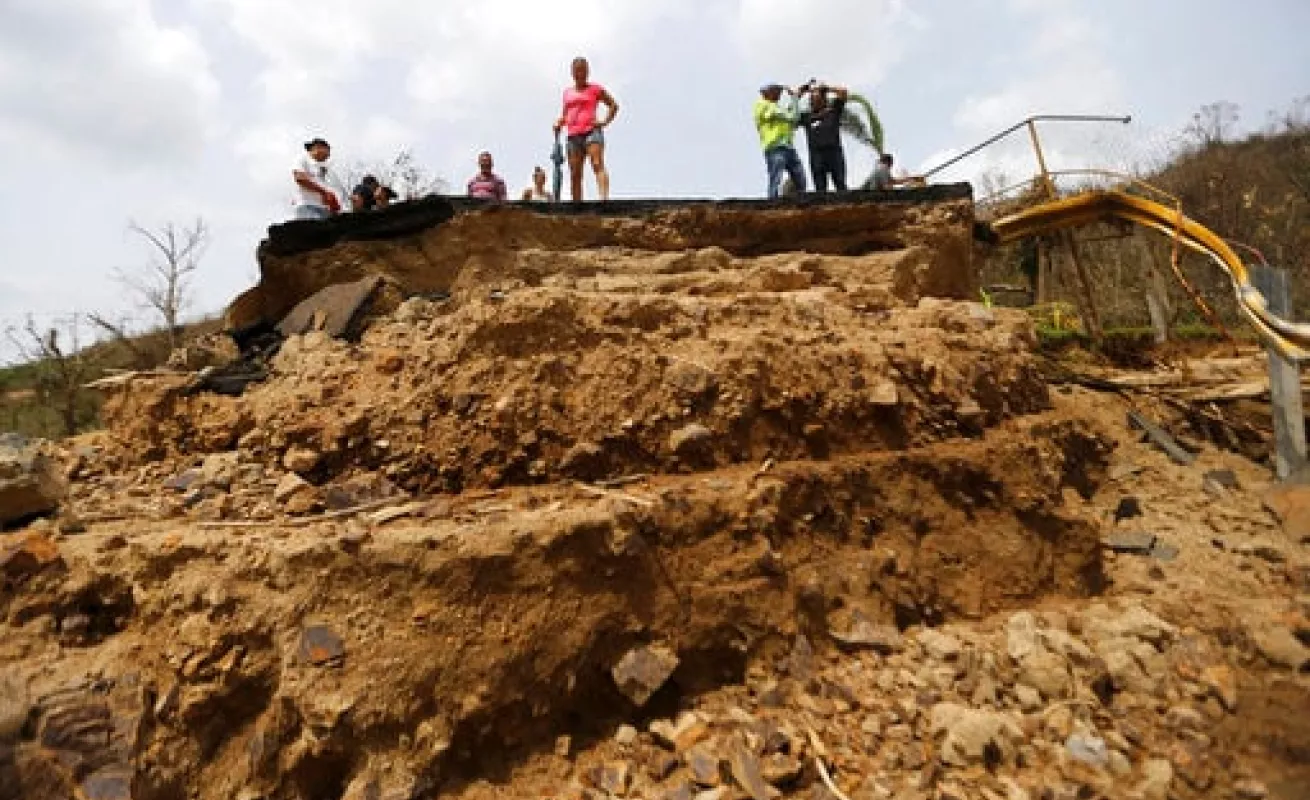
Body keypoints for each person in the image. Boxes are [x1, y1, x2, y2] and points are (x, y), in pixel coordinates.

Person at [554, 57, 619, 202]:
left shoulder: (595, 89)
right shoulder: (567, 93)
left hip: (591, 131)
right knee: (575, 173)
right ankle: (577, 204)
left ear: (587, 71)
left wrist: (604, 122)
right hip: (573, 134)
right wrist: (559, 123)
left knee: (597, 163)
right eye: (577, 70)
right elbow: (565, 114)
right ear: (572, 72)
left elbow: (613, 105)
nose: (580, 74)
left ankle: (603, 198)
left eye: (583, 70)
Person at [754, 84, 806, 199]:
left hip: (788, 147)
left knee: (800, 179)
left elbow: (791, 116)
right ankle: (772, 203)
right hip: (775, 147)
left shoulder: (777, 108)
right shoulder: (762, 105)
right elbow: (792, 117)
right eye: (776, 91)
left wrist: (796, 98)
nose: (779, 93)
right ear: (766, 93)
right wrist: (795, 98)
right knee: (776, 178)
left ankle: (801, 202)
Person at [799, 83, 849, 193]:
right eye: (812, 99)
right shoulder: (806, 117)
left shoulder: (833, 111)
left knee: (840, 184)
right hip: (816, 155)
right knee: (820, 189)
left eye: (817, 98)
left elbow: (843, 92)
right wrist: (800, 93)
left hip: (834, 153)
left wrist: (827, 88)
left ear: (823, 100)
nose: (813, 101)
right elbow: (790, 113)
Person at [292, 138, 342, 220]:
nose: (328, 156)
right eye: (327, 151)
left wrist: (332, 201)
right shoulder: (302, 159)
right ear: (318, 147)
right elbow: (300, 178)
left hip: (323, 209)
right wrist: (324, 193)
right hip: (308, 207)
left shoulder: (321, 167)